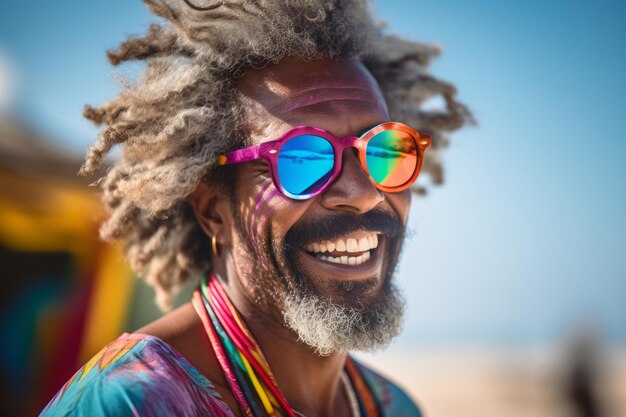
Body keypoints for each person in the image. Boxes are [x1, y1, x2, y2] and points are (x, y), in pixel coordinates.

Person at [41, 1, 470, 416]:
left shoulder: (394, 408)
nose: (362, 193)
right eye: (302, 158)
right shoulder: (129, 403)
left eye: (383, 149)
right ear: (213, 209)